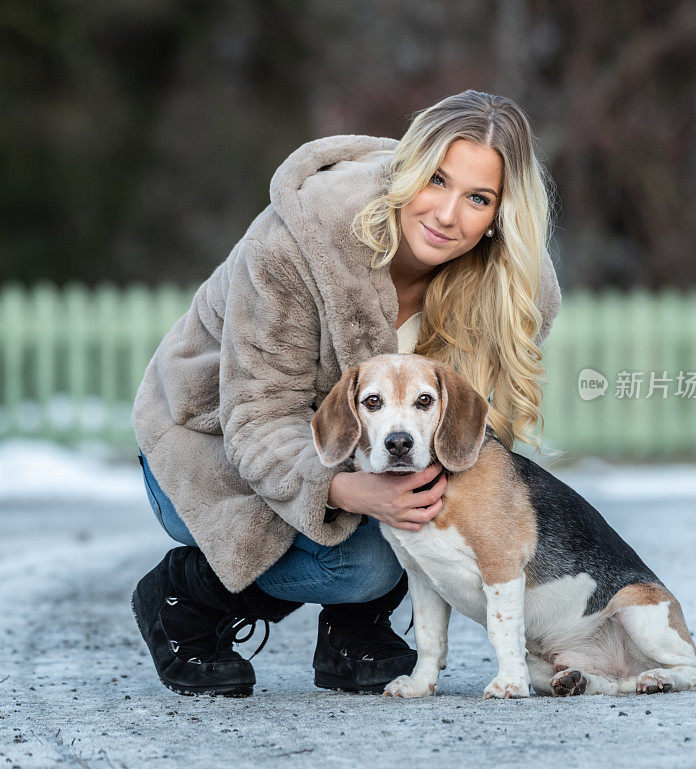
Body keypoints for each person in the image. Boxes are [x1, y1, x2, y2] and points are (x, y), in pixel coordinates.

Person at [131, 90, 562, 697]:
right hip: (209, 448)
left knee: (423, 515)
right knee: (360, 565)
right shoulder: (296, 244)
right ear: (409, 168)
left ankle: (351, 634)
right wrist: (345, 487)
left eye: (478, 198)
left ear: (500, 214)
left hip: (366, 453)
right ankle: (186, 593)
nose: (447, 214)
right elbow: (256, 415)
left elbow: (473, 433)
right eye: (436, 180)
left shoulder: (510, 290)